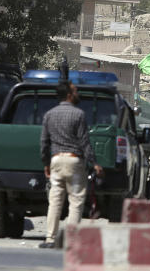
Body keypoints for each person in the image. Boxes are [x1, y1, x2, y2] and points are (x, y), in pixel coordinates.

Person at [39, 81, 103, 249]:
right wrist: (94, 163)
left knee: (55, 201)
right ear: (68, 94)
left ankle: (50, 239)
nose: (77, 93)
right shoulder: (79, 114)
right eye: (75, 91)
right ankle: (70, 241)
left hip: (56, 161)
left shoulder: (49, 114)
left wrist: (46, 164)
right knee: (76, 201)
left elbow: (44, 143)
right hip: (74, 161)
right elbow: (84, 142)